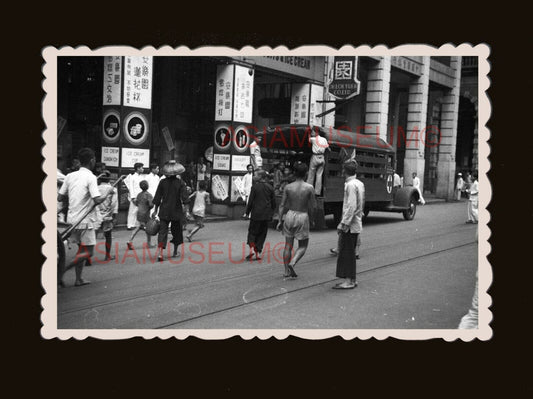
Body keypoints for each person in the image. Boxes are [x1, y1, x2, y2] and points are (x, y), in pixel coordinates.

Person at [57, 148, 105, 287]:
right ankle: (62, 270)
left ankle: (79, 279)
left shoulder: (69, 176)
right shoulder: (91, 177)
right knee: (89, 252)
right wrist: (107, 194)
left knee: (81, 250)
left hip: (71, 220)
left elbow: (60, 197)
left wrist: (74, 196)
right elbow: (97, 200)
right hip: (85, 221)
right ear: (91, 160)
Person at [276, 162, 317, 278]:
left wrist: (279, 220)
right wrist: (313, 219)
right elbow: (313, 206)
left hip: (289, 215)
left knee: (288, 245)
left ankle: (285, 271)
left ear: (294, 173)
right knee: (303, 245)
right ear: (306, 174)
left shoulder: (288, 187)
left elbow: (282, 205)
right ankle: (293, 262)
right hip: (302, 216)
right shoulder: (309, 187)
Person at [333, 160, 365, 290]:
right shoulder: (359, 183)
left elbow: (351, 206)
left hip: (350, 225)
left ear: (344, 171)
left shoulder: (350, 185)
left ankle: (348, 281)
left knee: (347, 253)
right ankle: (351, 279)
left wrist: (343, 223)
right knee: (349, 253)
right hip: (356, 222)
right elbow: (360, 204)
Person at [152, 160, 190, 262]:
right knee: (177, 232)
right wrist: (186, 212)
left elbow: (157, 198)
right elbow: (185, 199)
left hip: (164, 211)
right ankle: (174, 252)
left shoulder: (162, 182)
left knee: (162, 232)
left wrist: (155, 211)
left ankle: (160, 254)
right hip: (176, 211)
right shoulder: (181, 183)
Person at [245, 169, 276, 261]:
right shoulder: (270, 187)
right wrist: (271, 212)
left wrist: (247, 212)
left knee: (252, 231)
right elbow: (273, 203)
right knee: (262, 233)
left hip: (256, 213)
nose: (254, 176)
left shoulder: (255, 187)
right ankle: (258, 252)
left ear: (260, 177)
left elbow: (250, 202)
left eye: (256, 175)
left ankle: (251, 249)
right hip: (266, 214)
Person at [96, 171, 118, 261]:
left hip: (96, 214)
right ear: (108, 179)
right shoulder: (112, 189)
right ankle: (107, 255)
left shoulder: (95, 188)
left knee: (92, 236)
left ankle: (87, 257)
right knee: (108, 235)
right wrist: (114, 215)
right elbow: (114, 204)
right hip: (107, 214)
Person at [127, 180, 154, 249]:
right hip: (146, 213)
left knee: (139, 227)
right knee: (147, 228)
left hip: (139, 213)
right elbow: (151, 204)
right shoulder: (149, 195)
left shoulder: (139, 195)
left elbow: (136, 203)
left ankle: (130, 240)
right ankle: (148, 243)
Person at [307, 128, 330, 196]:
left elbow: (309, 139)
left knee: (311, 174)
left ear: (317, 133)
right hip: (322, 157)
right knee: (319, 175)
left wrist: (308, 133)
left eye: (313, 132)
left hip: (315, 157)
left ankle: (309, 190)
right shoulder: (324, 139)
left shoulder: (313, 139)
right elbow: (327, 147)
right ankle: (317, 192)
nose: (312, 133)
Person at [124, 162, 145, 229]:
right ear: (138, 168)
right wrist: (133, 197)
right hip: (135, 196)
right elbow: (131, 187)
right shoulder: (132, 177)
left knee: (140, 211)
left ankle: (138, 225)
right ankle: (130, 225)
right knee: (132, 211)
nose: (143, 169)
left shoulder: (142, 177)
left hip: (141, 195)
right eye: (141, 168)